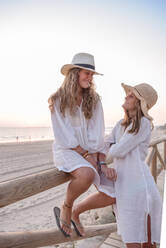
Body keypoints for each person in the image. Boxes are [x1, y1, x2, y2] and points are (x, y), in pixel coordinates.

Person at [72, 83, 162, 248]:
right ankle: (75, 211)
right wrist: (103, 164)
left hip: (142, 189)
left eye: (131, 95)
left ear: (140, 103)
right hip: (124, 186)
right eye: (127, 94)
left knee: (148, 244)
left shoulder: (143, 123)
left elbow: (117, 150)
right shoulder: (121, 124)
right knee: (132, 241)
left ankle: (75, 211)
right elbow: (104, 147)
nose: (126, 97)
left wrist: (105, 152)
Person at [48, 52, 116, 237]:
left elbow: (97, 131)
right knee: (86, 174)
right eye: (87, 73)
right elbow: (63, 135)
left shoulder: (94, 99)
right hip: (67, 150)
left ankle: (77, 211)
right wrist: (86, 156)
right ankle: (67, 206)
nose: (90, 77)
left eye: (92, 74)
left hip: (91, 151)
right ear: (75, 73)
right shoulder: (58, 99)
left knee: (113, 193)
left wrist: (98, 158)